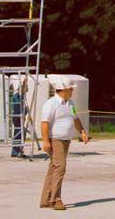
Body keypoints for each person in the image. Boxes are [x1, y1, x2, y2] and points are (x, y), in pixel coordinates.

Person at [39, 79, 89, 210]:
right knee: (60, 167)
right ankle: (56, 200)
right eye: (71, 89)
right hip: (55, 140)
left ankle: (46, 199)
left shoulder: (70, 103)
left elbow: (75, 118)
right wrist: (45, 141)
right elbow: (44, 123)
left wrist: (82, 131)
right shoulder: (51, 104)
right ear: (64, 90)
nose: (72, 91)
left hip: (66, 140)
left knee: (54, 168)